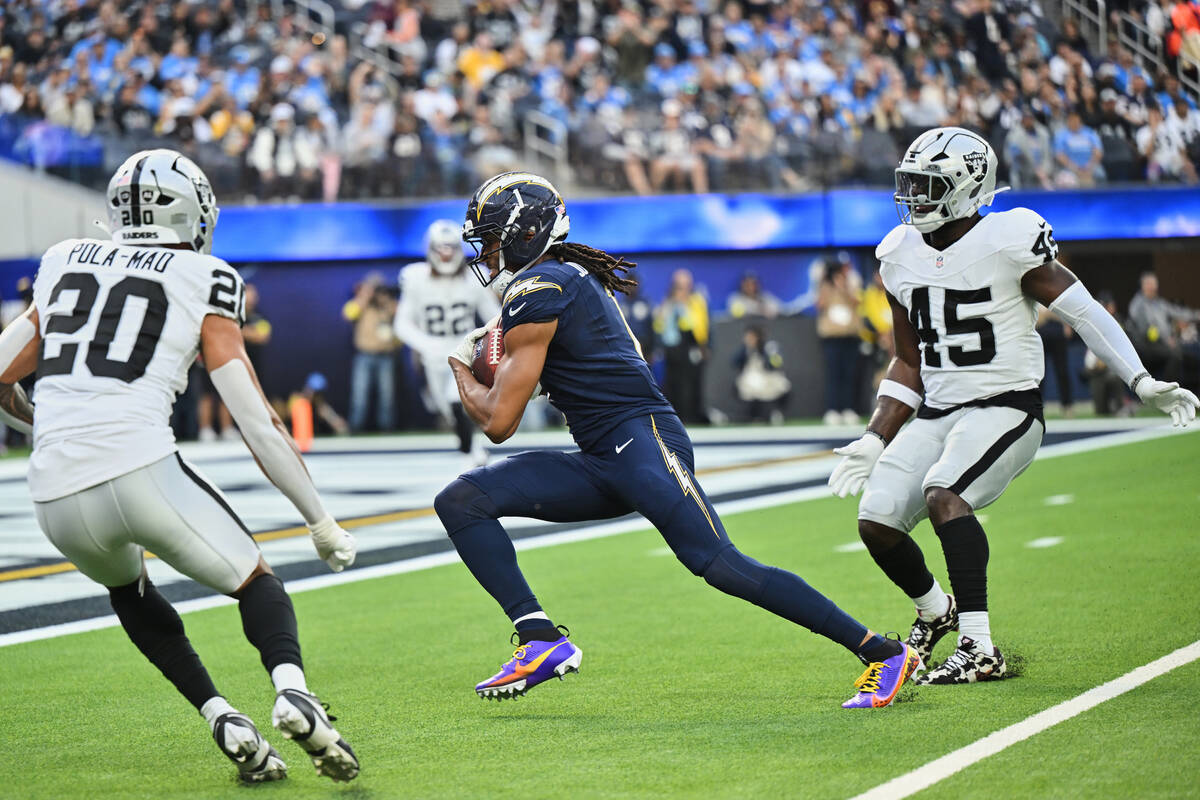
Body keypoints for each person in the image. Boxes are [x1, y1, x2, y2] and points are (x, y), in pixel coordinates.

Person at [435, 172, 921, 711]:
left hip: (640, 442)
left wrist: (458, 365)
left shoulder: (542, 287)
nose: (488, 252)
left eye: (494, 237)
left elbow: (499, 422)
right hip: (604, 452)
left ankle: (883, 651)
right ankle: (540, 638)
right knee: (462, 499)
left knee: (719, 563)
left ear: (526, 232)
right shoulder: (562, 279)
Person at [0, 150, 360, 782]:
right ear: (193, 212)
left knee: (130, 592)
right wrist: (320, 520)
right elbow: (257, 422)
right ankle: (293, 691)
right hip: (140, 467)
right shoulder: (206, 275)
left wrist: (51, 423)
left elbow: (2, 373)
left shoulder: (61, 260)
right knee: (256, 581)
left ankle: (220, 714)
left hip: (54, 493)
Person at [828, 127, 1198, 684]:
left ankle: (980, 647)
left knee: (945, 493)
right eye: (910, 185)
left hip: (1007, 405)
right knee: (876, 520)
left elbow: (1084, 312)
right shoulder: (897, 256)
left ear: (967, 188)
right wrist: (874, 438)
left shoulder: (1008, 238)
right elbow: (908, 364)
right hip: (941, 409)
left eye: (929, 187)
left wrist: (1141, 380)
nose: (914, 198)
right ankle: (937, 612)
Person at [393, 219, 500, 466]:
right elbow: (402, 323)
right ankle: (470, 448)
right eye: (441, 248)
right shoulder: (415, 277)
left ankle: (474, 452)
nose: (446, 254)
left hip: (463, 347)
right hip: (433, 352)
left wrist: (483, 345)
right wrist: (426, 344)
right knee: (447, 409)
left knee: (458, 400)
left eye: (450, 247)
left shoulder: (473, 279)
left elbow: (494, 317)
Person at [343, 272, 398, 432]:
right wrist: (366, 294)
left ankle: (387, 429)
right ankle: (355, 428)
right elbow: (348, 314)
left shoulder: (388, 304)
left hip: (386, 356)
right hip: (364, 355)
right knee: (359, 394)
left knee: (387, 396)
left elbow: (400, 314)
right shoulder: (361, 305)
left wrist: (386, 299)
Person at [655, 269, 709, 424]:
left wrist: (684, 307)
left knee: (691, 384)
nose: (682, 289)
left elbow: (699, 326)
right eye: (679, 286)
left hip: (691, 347)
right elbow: (659, 326)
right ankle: (675, 418)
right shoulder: (668, 303)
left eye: (685, 286)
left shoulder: (696, 301)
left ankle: (692, 417)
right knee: (673, 384)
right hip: (672, 351)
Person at [817, 257, 863, 425]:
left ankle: (849, 409)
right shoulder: (824, 286)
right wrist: (827, 284)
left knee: (849, 374)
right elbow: (820, 304)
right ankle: (833, 409)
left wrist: (843, 287)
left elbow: (857, 302)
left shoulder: (853, 283)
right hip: (832, 337)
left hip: (850, 336)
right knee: (833, 374)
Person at [733, 326, 790, 423]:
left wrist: (764, 352)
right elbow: (734, 362)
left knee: (783, 384)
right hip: (752, 377)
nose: (748, 339)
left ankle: (776, 412)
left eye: (751, 337)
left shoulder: (769, 347)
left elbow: (774, 364)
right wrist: (745, 349)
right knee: (749, 385)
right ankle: (755, 416)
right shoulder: (745, 349)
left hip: (768, 376)